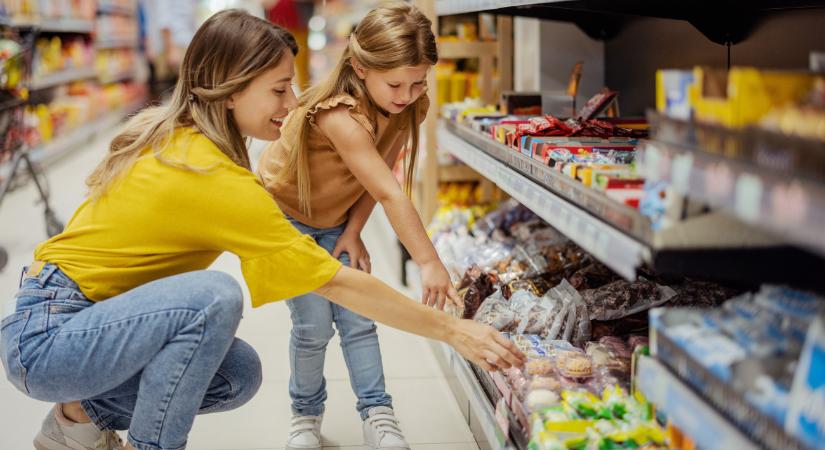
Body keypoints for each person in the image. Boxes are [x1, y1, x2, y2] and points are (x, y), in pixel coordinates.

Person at [0, 10, 524, 450]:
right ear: (229, 91)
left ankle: (76, 420)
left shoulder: (190, 143)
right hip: (49, 336)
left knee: (238, 375)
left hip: (76, 323)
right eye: (278, 89)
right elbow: (336, 282)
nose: (292, 103)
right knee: (212, 297)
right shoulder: (209, 174)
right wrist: (455, 330)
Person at [257, 3, 460, 449]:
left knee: (360, 321)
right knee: (312, 328)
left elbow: (379, 177)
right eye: (395, 84)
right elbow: (392, 192)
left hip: (334, 220)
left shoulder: (405, 107)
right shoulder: (338, 116)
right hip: (285, 222)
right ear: (360, 68)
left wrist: (352, 230)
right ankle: (304, 417)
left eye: (417, 82)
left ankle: (378, 414)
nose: (406, 94)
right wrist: (428, 261)